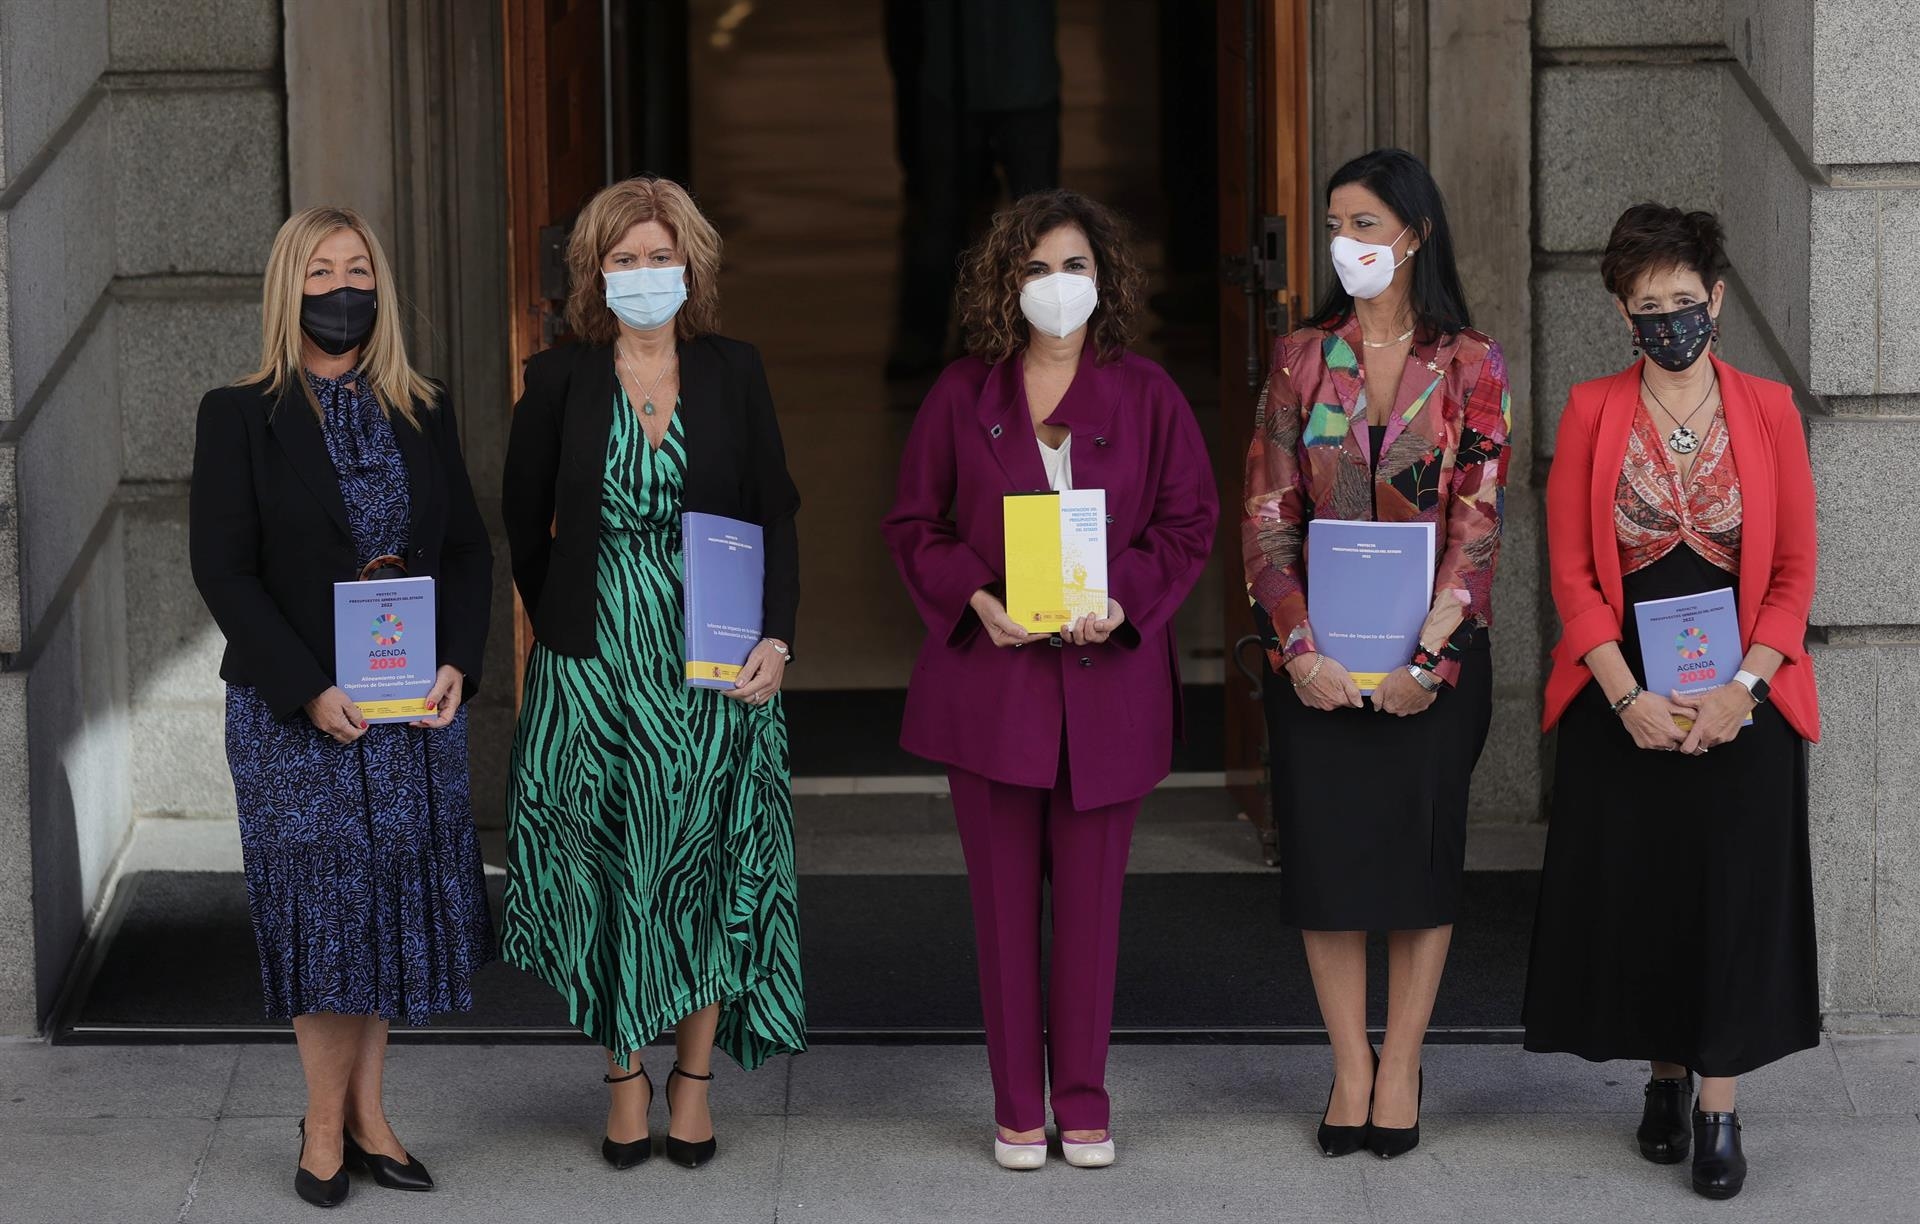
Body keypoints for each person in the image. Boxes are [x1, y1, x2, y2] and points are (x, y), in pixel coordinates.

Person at [883, 188, 1218, 1170]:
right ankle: (1017, 1108)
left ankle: (1083, 1100)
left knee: (1090, 916)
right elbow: (914, 526)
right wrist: (974, 595)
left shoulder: (1148, 395)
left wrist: (1127, 602)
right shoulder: (961, 397)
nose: (1057, 287)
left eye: (1074, 267)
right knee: (1001, 918)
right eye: (1036, 270)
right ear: (1004, 285)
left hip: (1106, 694)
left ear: (1104, 281)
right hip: (993, 693)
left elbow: (1189, 525)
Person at [189, 206, 494, 1208]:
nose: (340, 287)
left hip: (410, 703)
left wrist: (458, 662)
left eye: (356, 268)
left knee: (386, 914)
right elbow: (224, 573)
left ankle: (369, 1115)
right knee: (325, 914)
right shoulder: (238, 414)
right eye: (319, 271)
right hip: (294, 716)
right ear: (289, 287)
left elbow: (464, 550)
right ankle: (323, 1127)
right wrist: (307, 688)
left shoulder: (423, 404)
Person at [500, 176, 806, 1172]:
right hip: (594, 667)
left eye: (659, 256)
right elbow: (522, 523)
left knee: (703, 868)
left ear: (692, 265)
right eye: (624, 259)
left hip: (711, 660)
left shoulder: (733, 371)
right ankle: (625, 1077)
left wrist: (776, 638)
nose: (644, 274)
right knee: (611, 870)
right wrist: (562, 631)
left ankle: (694, 1083)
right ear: (595, 273)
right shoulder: (557, 381)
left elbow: (776, 512)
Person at [1522, 204, 1820, 1202]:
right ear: (1621, 311)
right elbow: (1570, 575)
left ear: (1719, 300)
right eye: (1648, 306)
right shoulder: (1591, 411)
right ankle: (1661, 1074)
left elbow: (1794, 572)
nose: (1669, 321)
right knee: (1646, 891)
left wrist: (1744, 692)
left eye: (1685, 302)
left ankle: (1719, 1106)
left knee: (1730, 899)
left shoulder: (1771, 410)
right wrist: (1625, 697)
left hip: (1744, 698)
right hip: (1627, 696)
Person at [1241, 148, 1510, 1161]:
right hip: (1316, 666)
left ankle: (1403, 1063)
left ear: (1415, 234)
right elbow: (1269, 508)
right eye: (1335, 226)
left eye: (1363, 223)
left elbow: (1478, 526)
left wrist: (1426, 663)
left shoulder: (1475, 364)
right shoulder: (1300, 357)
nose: (1345, 243)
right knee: (1328, 865)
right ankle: (1350, 1062)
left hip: (1428, 667)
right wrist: (1299, 650)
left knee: (1419, 860)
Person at [884, 0, 1062, 379]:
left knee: (1042, 226)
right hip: (952, 85)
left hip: (1024, 81)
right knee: (940, 220)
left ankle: (1051, 334)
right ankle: (923, 337)